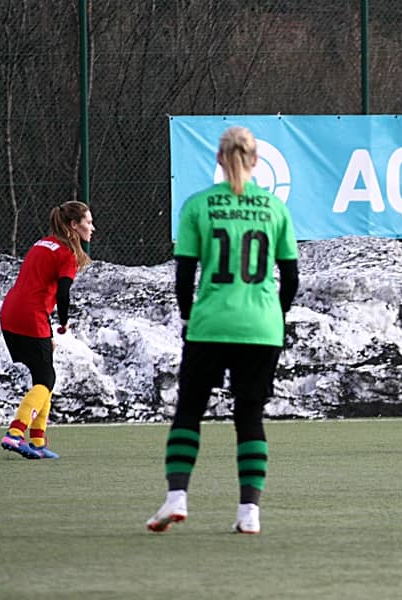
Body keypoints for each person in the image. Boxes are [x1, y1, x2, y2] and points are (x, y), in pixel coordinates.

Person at [146, 126, 299, 534]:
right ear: (255, 161)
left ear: (218, 158)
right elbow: (291, 278)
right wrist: (275, 315)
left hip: (210, 322)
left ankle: (177, 497)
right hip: (261, 327)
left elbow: (184, 276)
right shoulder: (275, 208)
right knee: (249, 416)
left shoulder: (198, 205)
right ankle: (249, 512)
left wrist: (187, 319)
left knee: (189, 410)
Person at [0, 201, 94, 460]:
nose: (92, 228)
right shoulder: (66, 254)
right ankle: (15, 434)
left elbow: (36, 287)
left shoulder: (41, 243)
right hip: (31, 317)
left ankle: (38, 441)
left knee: (44, 375)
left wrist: (48, 332)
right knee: (46, 379)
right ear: (74, 225)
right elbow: (63, 293)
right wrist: (63, 322)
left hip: (11, 312)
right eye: (88, 222)